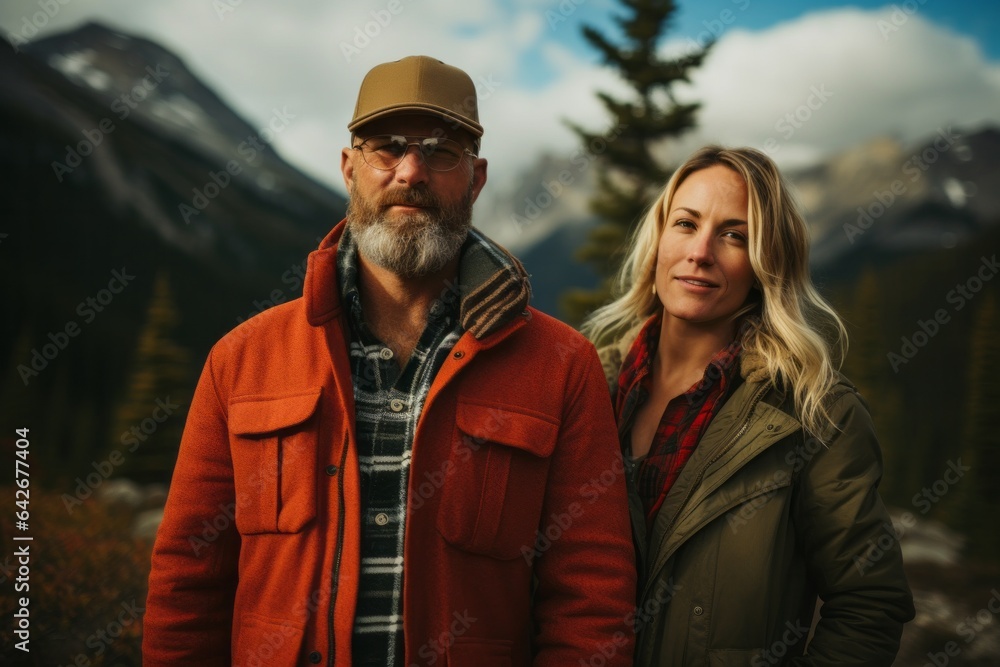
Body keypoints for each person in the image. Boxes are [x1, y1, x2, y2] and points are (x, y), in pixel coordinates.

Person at [143, 56, 636, 666]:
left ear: (477, 178)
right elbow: (186, 584)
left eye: (441, 151)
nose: (411, 172)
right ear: (349, 167)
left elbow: (591, 601)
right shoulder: (241, 360)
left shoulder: (563, 367)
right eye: (386, 148)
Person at [583, 145, 915, 665]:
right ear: (658, 240)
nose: (701, 251)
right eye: (686, 224)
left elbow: (870, 602)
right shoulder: (586, 387)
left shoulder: (815, 414)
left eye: (735, 235)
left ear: (767, 264)